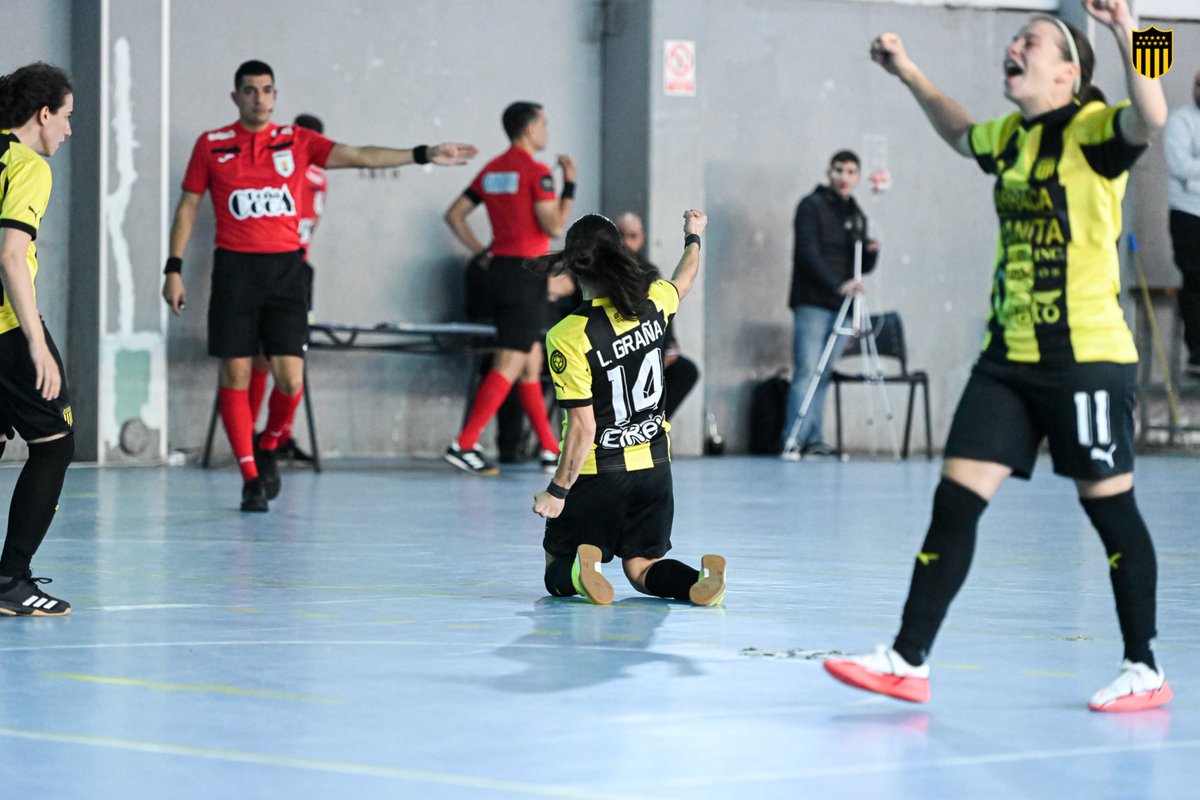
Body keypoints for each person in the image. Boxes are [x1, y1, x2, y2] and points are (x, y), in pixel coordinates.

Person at [825, 0, 1172, 712]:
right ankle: (907, 659)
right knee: (953, 505)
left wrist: (1134, 28)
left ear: (1068, 74)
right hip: (1007, 359)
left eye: (1032, 40)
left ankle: (1145, 666)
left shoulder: (1096, 132)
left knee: (1111, 513)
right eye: (1015, 38)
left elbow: (1156, 114)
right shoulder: (1011, 138)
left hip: (1087, 359)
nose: (1014, 46)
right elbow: (958, 132)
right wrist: (908, 72)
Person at [162, 61, 475, 512]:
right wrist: (173, 268)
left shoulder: (297, 141)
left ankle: (270, 443)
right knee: (236, 374)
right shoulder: (211, 145)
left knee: (290, 379)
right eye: (249, 91)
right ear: (236, 97)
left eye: (266, 90)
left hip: (288, 272)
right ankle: (250, 477)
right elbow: (188, 206)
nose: (258, 98)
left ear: (275, 95)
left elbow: (362, 155)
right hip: (234, 271)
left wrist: (424, 153)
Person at [529, 210, 726, 608]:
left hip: (598, 474)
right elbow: (684, 280)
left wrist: (558, 490)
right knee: (642, 567)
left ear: (573, 262)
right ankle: (696, 581)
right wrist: (693, 237)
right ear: (619, 253)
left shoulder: (567, 335)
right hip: (654, 468)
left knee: (557, 563)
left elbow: (583, 427)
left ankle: (581, 573)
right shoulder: (654, 300)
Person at [443, 102, 574, 476]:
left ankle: (550, 449)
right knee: (511, 360)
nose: (546, 129)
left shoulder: (492, 170)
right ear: (530, 127)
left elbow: (454, 214)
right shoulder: (536, 172)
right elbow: (554, 226)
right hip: (525, 276)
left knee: (530, 362)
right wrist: (571, 184)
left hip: (498, 271)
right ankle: (464, 444)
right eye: (544, 123)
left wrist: (481, 250)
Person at [0, 63, 75, 616]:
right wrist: (35, 342)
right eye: (66, 117)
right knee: (55, 443)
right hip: (5, 327)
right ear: (43, 113)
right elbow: (10, 255)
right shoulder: (27, 166)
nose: (68, 131)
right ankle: (11, 580)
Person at [782, 150, 879, 459]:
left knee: (823, 374)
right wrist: (838, 285)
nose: (844, 177)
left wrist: (872, 252)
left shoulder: (856, 213)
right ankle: (793, 438)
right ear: (829, 171)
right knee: (807, 369)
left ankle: (815, 439)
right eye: (839, 170)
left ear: (858, 178)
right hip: (813, 302)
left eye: (851, 172)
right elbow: (808, 254)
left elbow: (859, 262)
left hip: (843, 307)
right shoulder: (810, 206)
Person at [247, 113, 327, 463]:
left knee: (286, 357)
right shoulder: (294, 171)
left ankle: (277, 436)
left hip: (292, 269)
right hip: (274, 266)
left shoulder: (314, 176)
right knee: (262, 356)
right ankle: (253, 432)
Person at [616, 211, 700, 420]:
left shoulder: (649, 271)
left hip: (647, 348)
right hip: (614, 349)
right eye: (620, 235)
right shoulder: (601, 270)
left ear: (642, 238)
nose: (626, 242)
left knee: (685, 370)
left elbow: (664, 311)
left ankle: (652, 424)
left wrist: (667, 347)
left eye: (632, 236)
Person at [1164, 68, 1200, 378]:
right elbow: (1181, 165)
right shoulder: (1181, 121)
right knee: (1196, 279)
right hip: (1189, 214)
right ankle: (1197, 353)